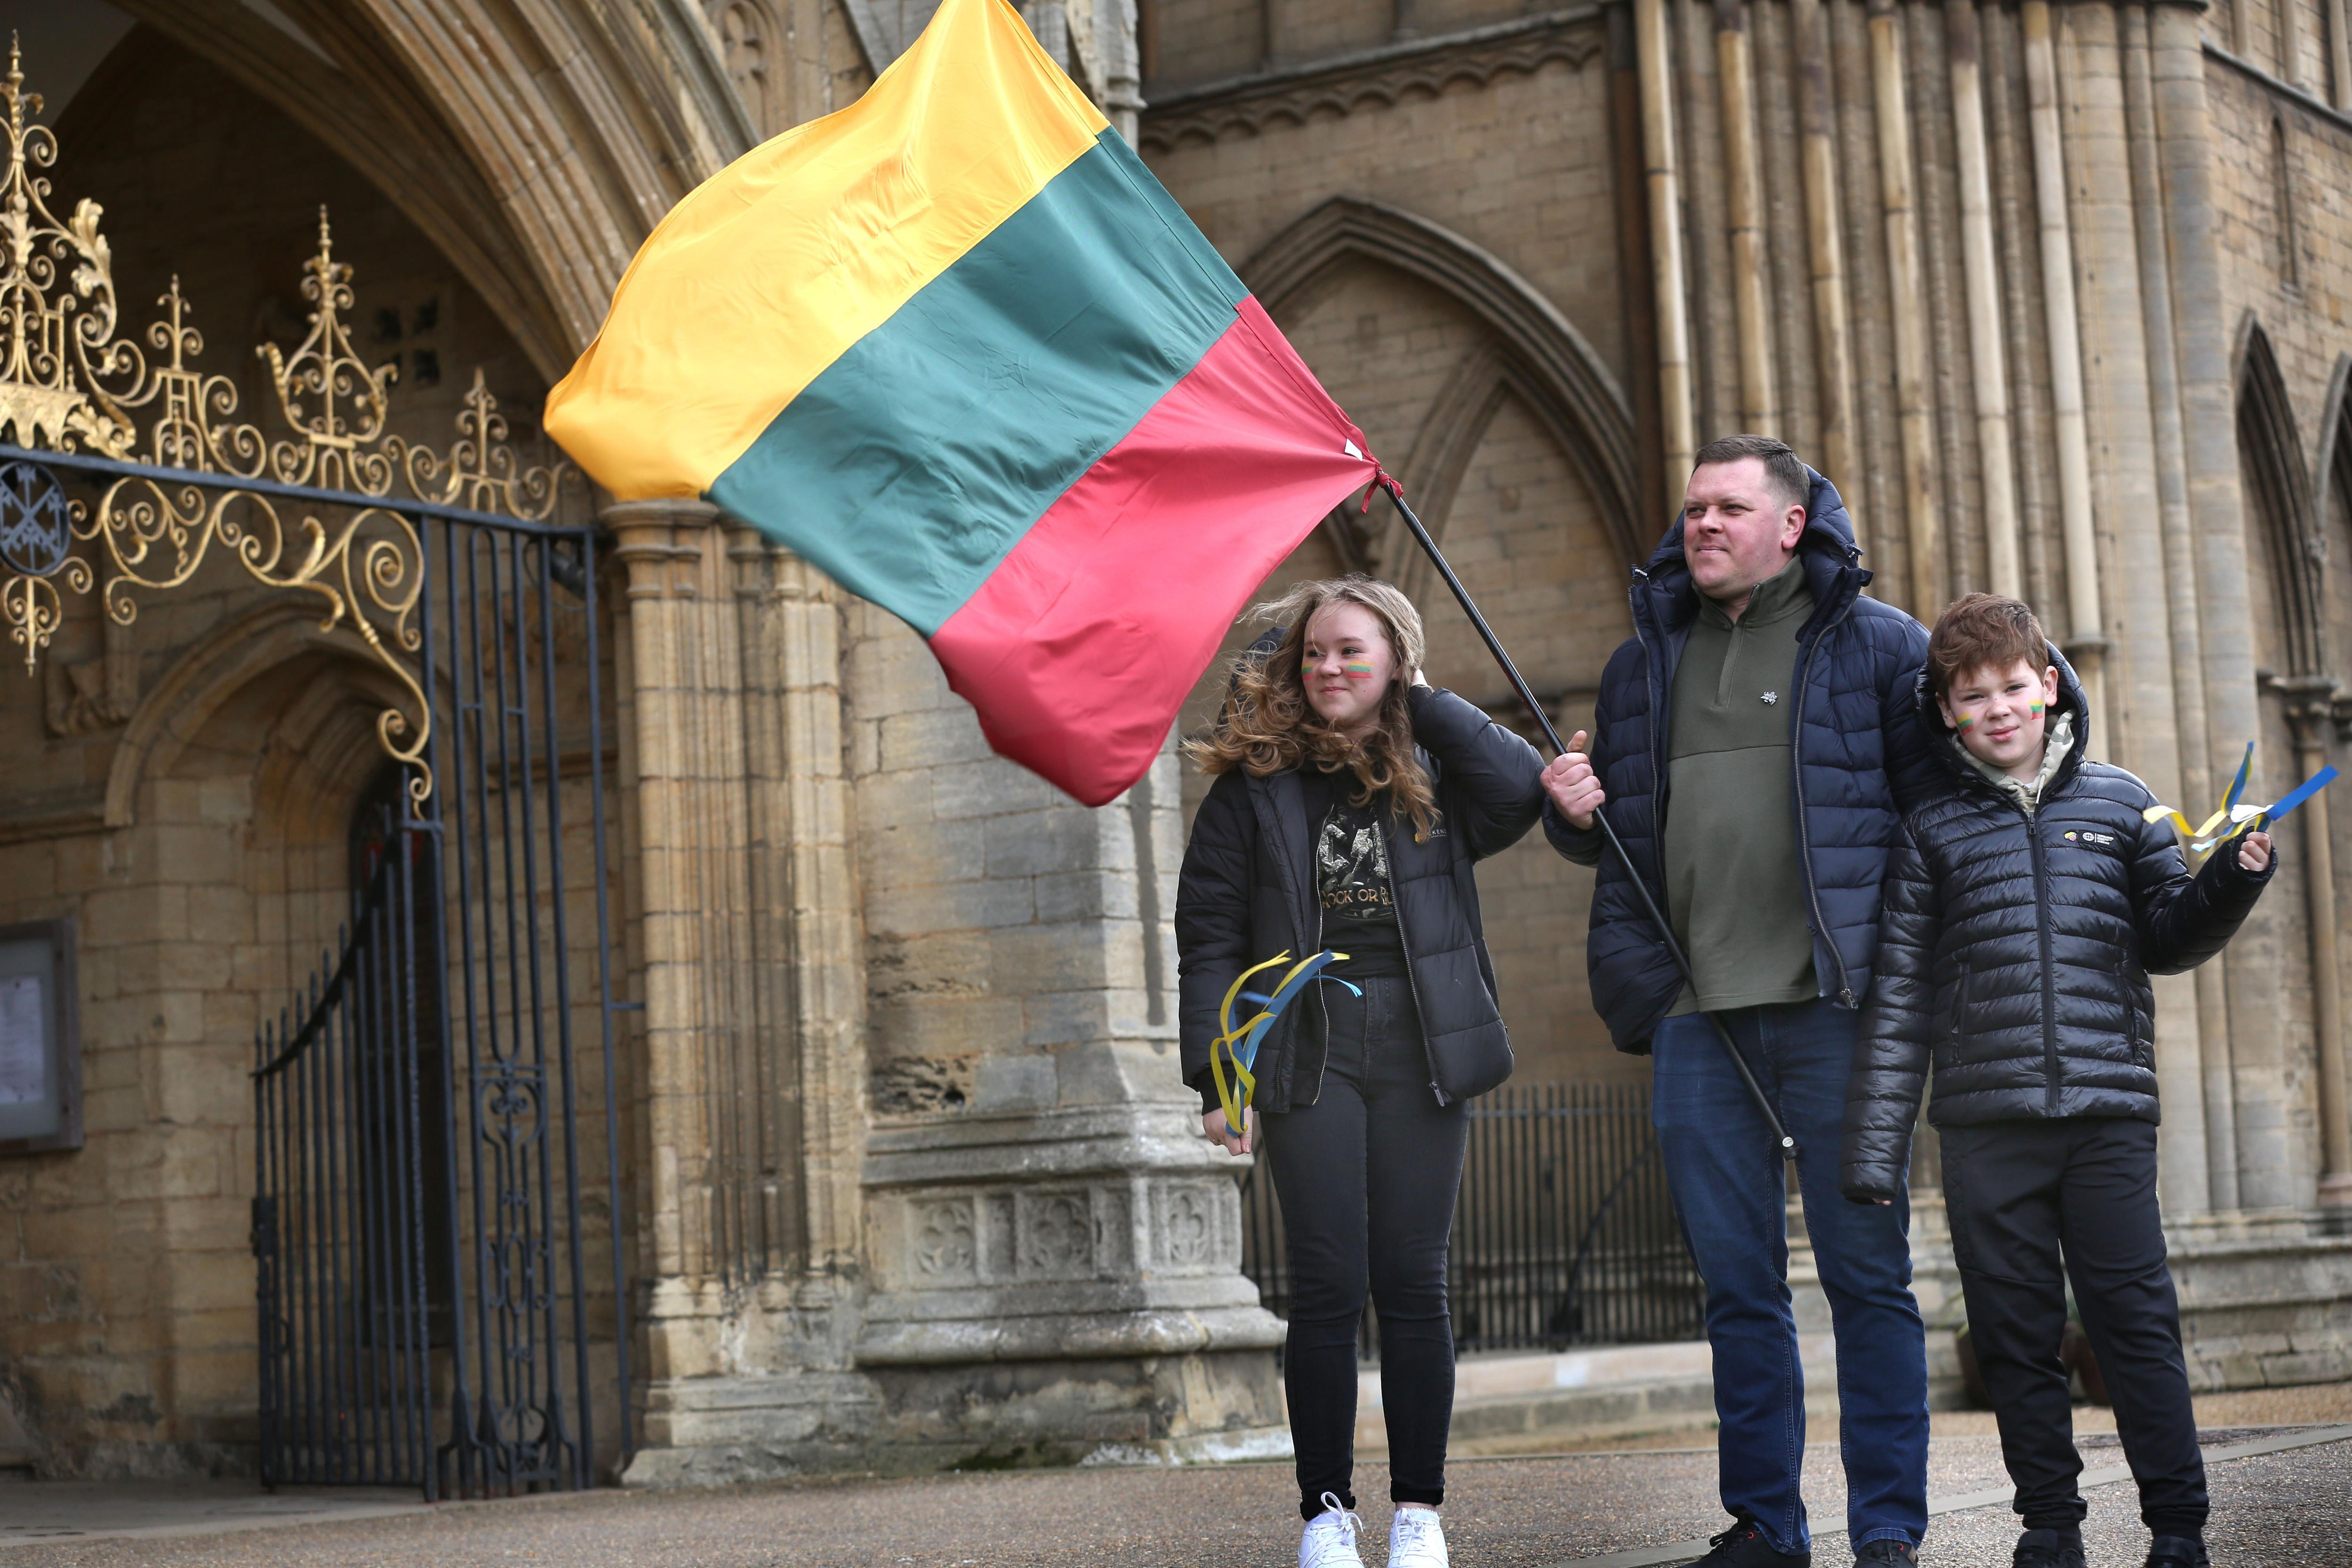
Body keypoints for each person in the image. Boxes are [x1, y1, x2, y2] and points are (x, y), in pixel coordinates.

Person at [1541, 434, 1935, 1567]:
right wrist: (1578, 812)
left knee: (1869, 1278)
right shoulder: (1639, 665)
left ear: (1790, 525)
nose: (1700, 525)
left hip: (1834, 1006)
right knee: (1736, 1287)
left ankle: (1890, 1530)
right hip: (1695, 1015)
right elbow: (1625, 850)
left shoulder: (1877, 647)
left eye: (1727, 508)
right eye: (1692, 508)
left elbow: (1930, 821)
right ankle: (1767, 1521)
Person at [1840, 595, 2274, 1568]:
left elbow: (2167, 935)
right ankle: (2049, 1523)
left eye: (2011, 686)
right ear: (1946, 711)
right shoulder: (1930, 831)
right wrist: (1873, 1147)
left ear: (2048, 683)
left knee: (2133, 1323)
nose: (1997, 708)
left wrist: (2232, 879)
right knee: (2012, 1332)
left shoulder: (2122, 801)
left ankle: (2176, 1525)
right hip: (1985, 1125)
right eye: (1972, 695)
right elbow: (1901, 995)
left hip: (2106, 1114)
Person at [1176, 575, 1544, 1568]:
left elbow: (1521, 787)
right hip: (1308, 1041)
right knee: (1329, 1280)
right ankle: (1327, 1511)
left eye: (1355, 649)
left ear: (1396, 661)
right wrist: (1220, 1079)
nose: (1330, 667)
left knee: (1414, 1278)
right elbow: (1207, 934)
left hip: (1426, 1038)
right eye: (1315, 652)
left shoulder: (1433, 763)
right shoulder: (1251, 787)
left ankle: (1418, 1508)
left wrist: (1423, 700)